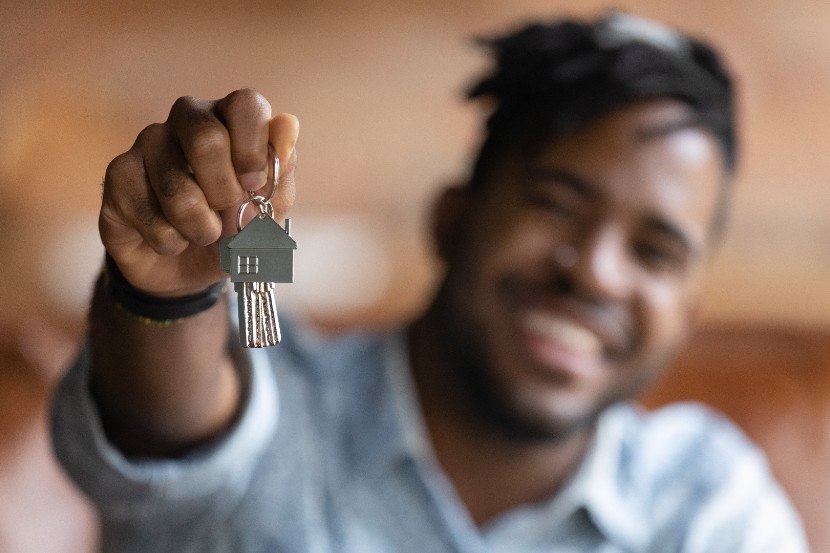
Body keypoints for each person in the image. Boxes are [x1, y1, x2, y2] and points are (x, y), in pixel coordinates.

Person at [51, 12, 809, 552]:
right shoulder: (286, 410)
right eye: (555, 206)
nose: (597, 273)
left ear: (687, 310)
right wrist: (167, 294)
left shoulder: (707, 503)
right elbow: (176, 424)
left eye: (655, 252)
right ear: (452, 218)